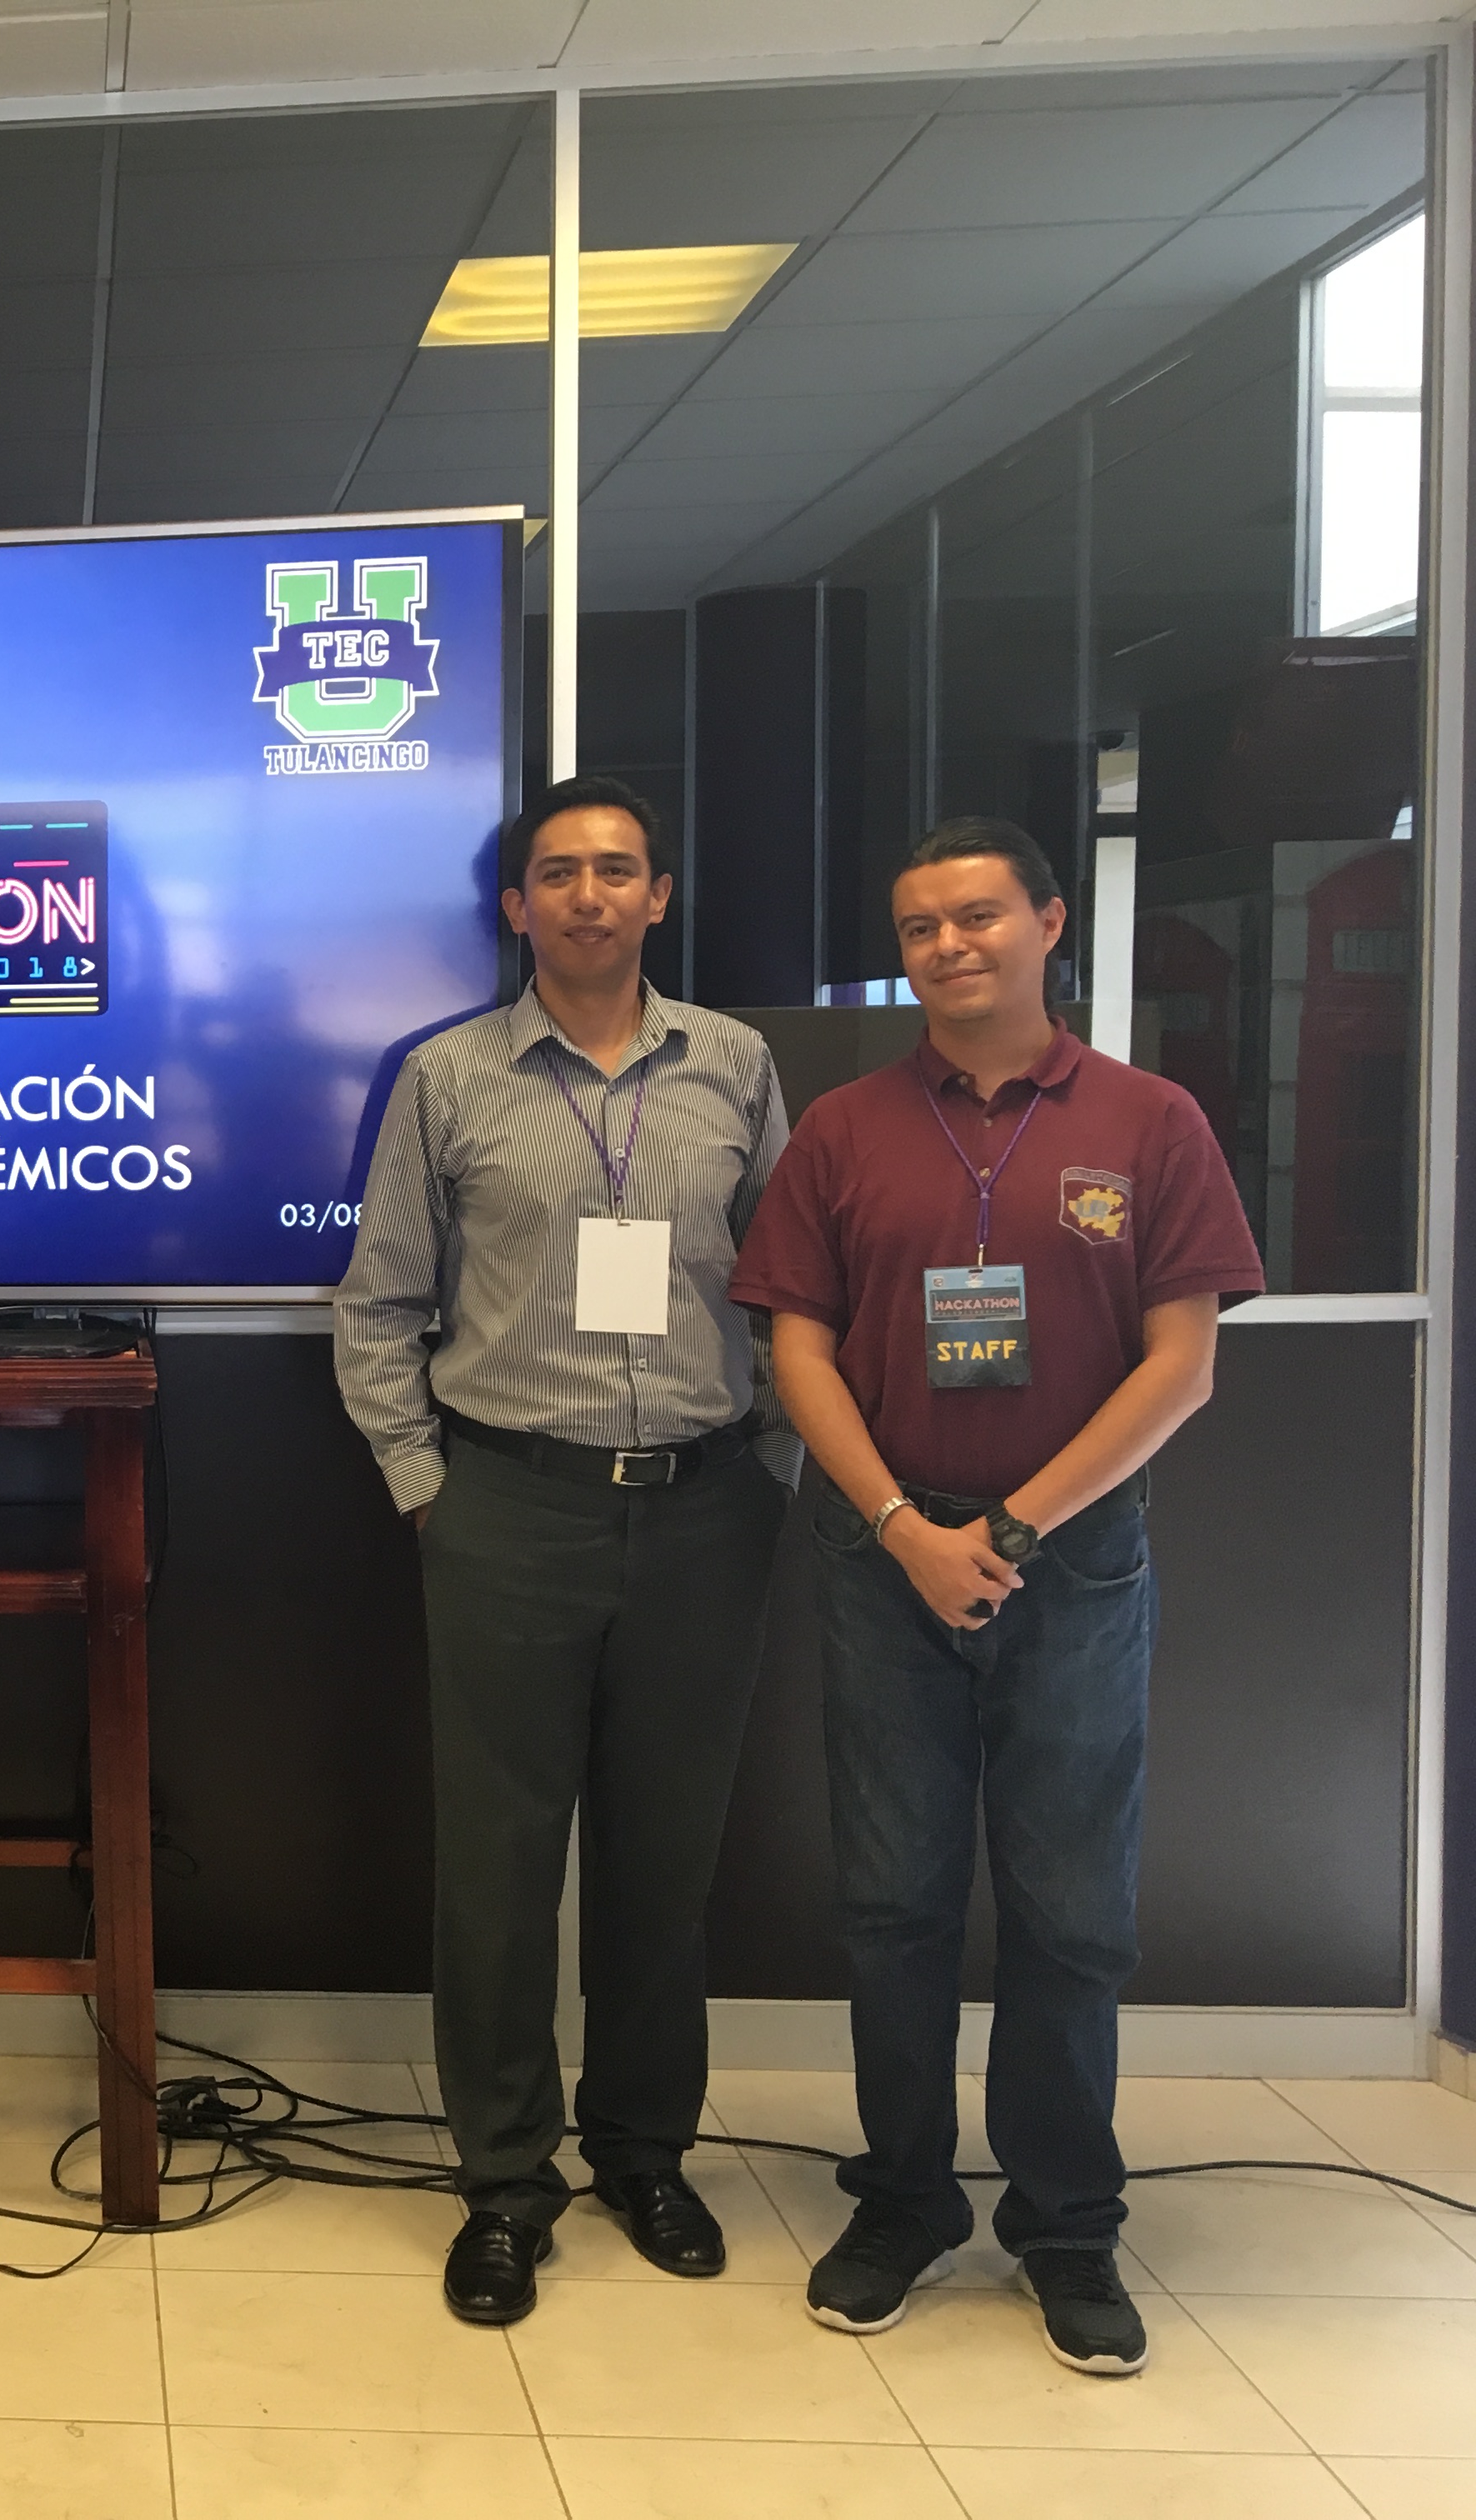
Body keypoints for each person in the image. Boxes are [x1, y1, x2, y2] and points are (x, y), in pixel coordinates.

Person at [733, 817, 1262, 2378]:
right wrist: (904, 1524)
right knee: (893, 1905)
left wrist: (1017, 1527)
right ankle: (902, 2199)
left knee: (1071, 1913)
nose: (948, 946)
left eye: (977, 916)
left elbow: (1184, 1363)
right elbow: (797, 1352)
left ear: (1047, 923)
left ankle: (1068, 2225)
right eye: (919, 927)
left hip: (1072, 1563)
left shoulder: (1151, 1121)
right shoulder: (846, 1130)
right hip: (881, 1555)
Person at [334, 774, 796, 2327]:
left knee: (667, 1862)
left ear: (658, 896)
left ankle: (646, 2156)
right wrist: (426, 1484)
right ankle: (504, 2184)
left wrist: (777, 1462)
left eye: (617, 870)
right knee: (499, 1868)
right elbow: (380, 1306)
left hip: (706, 1510)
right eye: (558, 872)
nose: (589, 894)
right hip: (509, 1506)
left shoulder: (735, 1066)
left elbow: (798, 1288)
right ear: (516, 905)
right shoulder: (447, 1078)